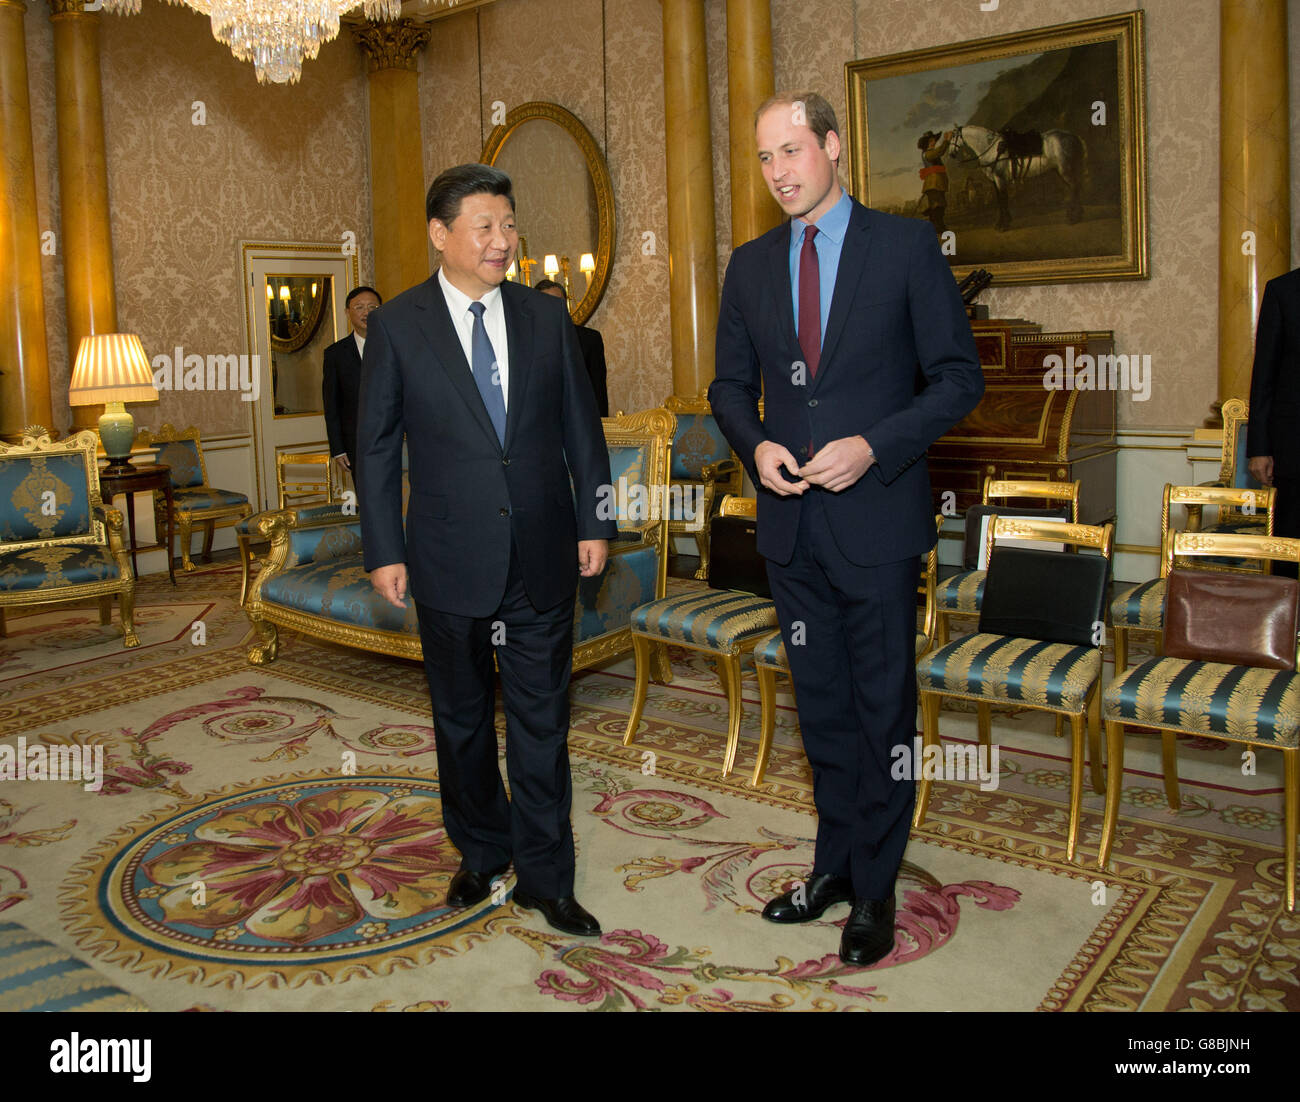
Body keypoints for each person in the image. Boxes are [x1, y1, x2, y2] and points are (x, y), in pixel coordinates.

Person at [708, 92, 983, 967]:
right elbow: (725, 388)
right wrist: (755, 449)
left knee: (882, 716)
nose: (779, 171)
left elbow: (956, 379)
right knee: (820, 713)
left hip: (877, 524)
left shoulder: (903, 248)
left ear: (832, 146)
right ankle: (831, 867)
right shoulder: (749, 266)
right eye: (764, 158)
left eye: (792, 150)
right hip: (789, 530)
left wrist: (874, 445)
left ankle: (875, 888)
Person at [357, 164, 615, 936]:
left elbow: (582, 429)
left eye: (509, 225)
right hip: (445, 559)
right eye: (486, 227)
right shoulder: (399, 327)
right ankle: (480, 852)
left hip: (541, 556)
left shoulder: (544, 321)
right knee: (462, 722)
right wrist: (382, 547)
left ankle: (546, 876)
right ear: (441, 236)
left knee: (544, 725)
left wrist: (596, 522)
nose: (503, 241)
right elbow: (375, 450)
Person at [1247, 265, 1300, 578]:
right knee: (1291, 549)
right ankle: (1288, 624)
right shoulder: (1283, 291)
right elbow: (1264, 376)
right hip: (1294, 448)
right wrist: (1259, 447)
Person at [323, 285, 381, 487]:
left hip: (399, 440)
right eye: (359, 307)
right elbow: (332, 405)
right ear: (348, 312)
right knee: (369, 499)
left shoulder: (397, 346)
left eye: (373, 307)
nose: (366, 312)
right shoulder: (335, 354)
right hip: (357, 443)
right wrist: (338, 448)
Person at [535, 278, 609, 416]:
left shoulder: (590, 340)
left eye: (557, 303)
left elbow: (599, 395)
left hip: (581, 423)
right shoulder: (527, 342)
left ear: (566, 305)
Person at [917, 130, 952, 235]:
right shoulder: (928, 153)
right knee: (938, 206)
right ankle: (939, 227)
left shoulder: (929, 152)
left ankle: (937, 227)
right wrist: (946, 141)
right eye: (931, 141)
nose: (933, 142)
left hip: (936, 183)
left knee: (938, 206)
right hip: (934, 183)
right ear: (926, 143)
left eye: (933, 140)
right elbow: (940, 151)